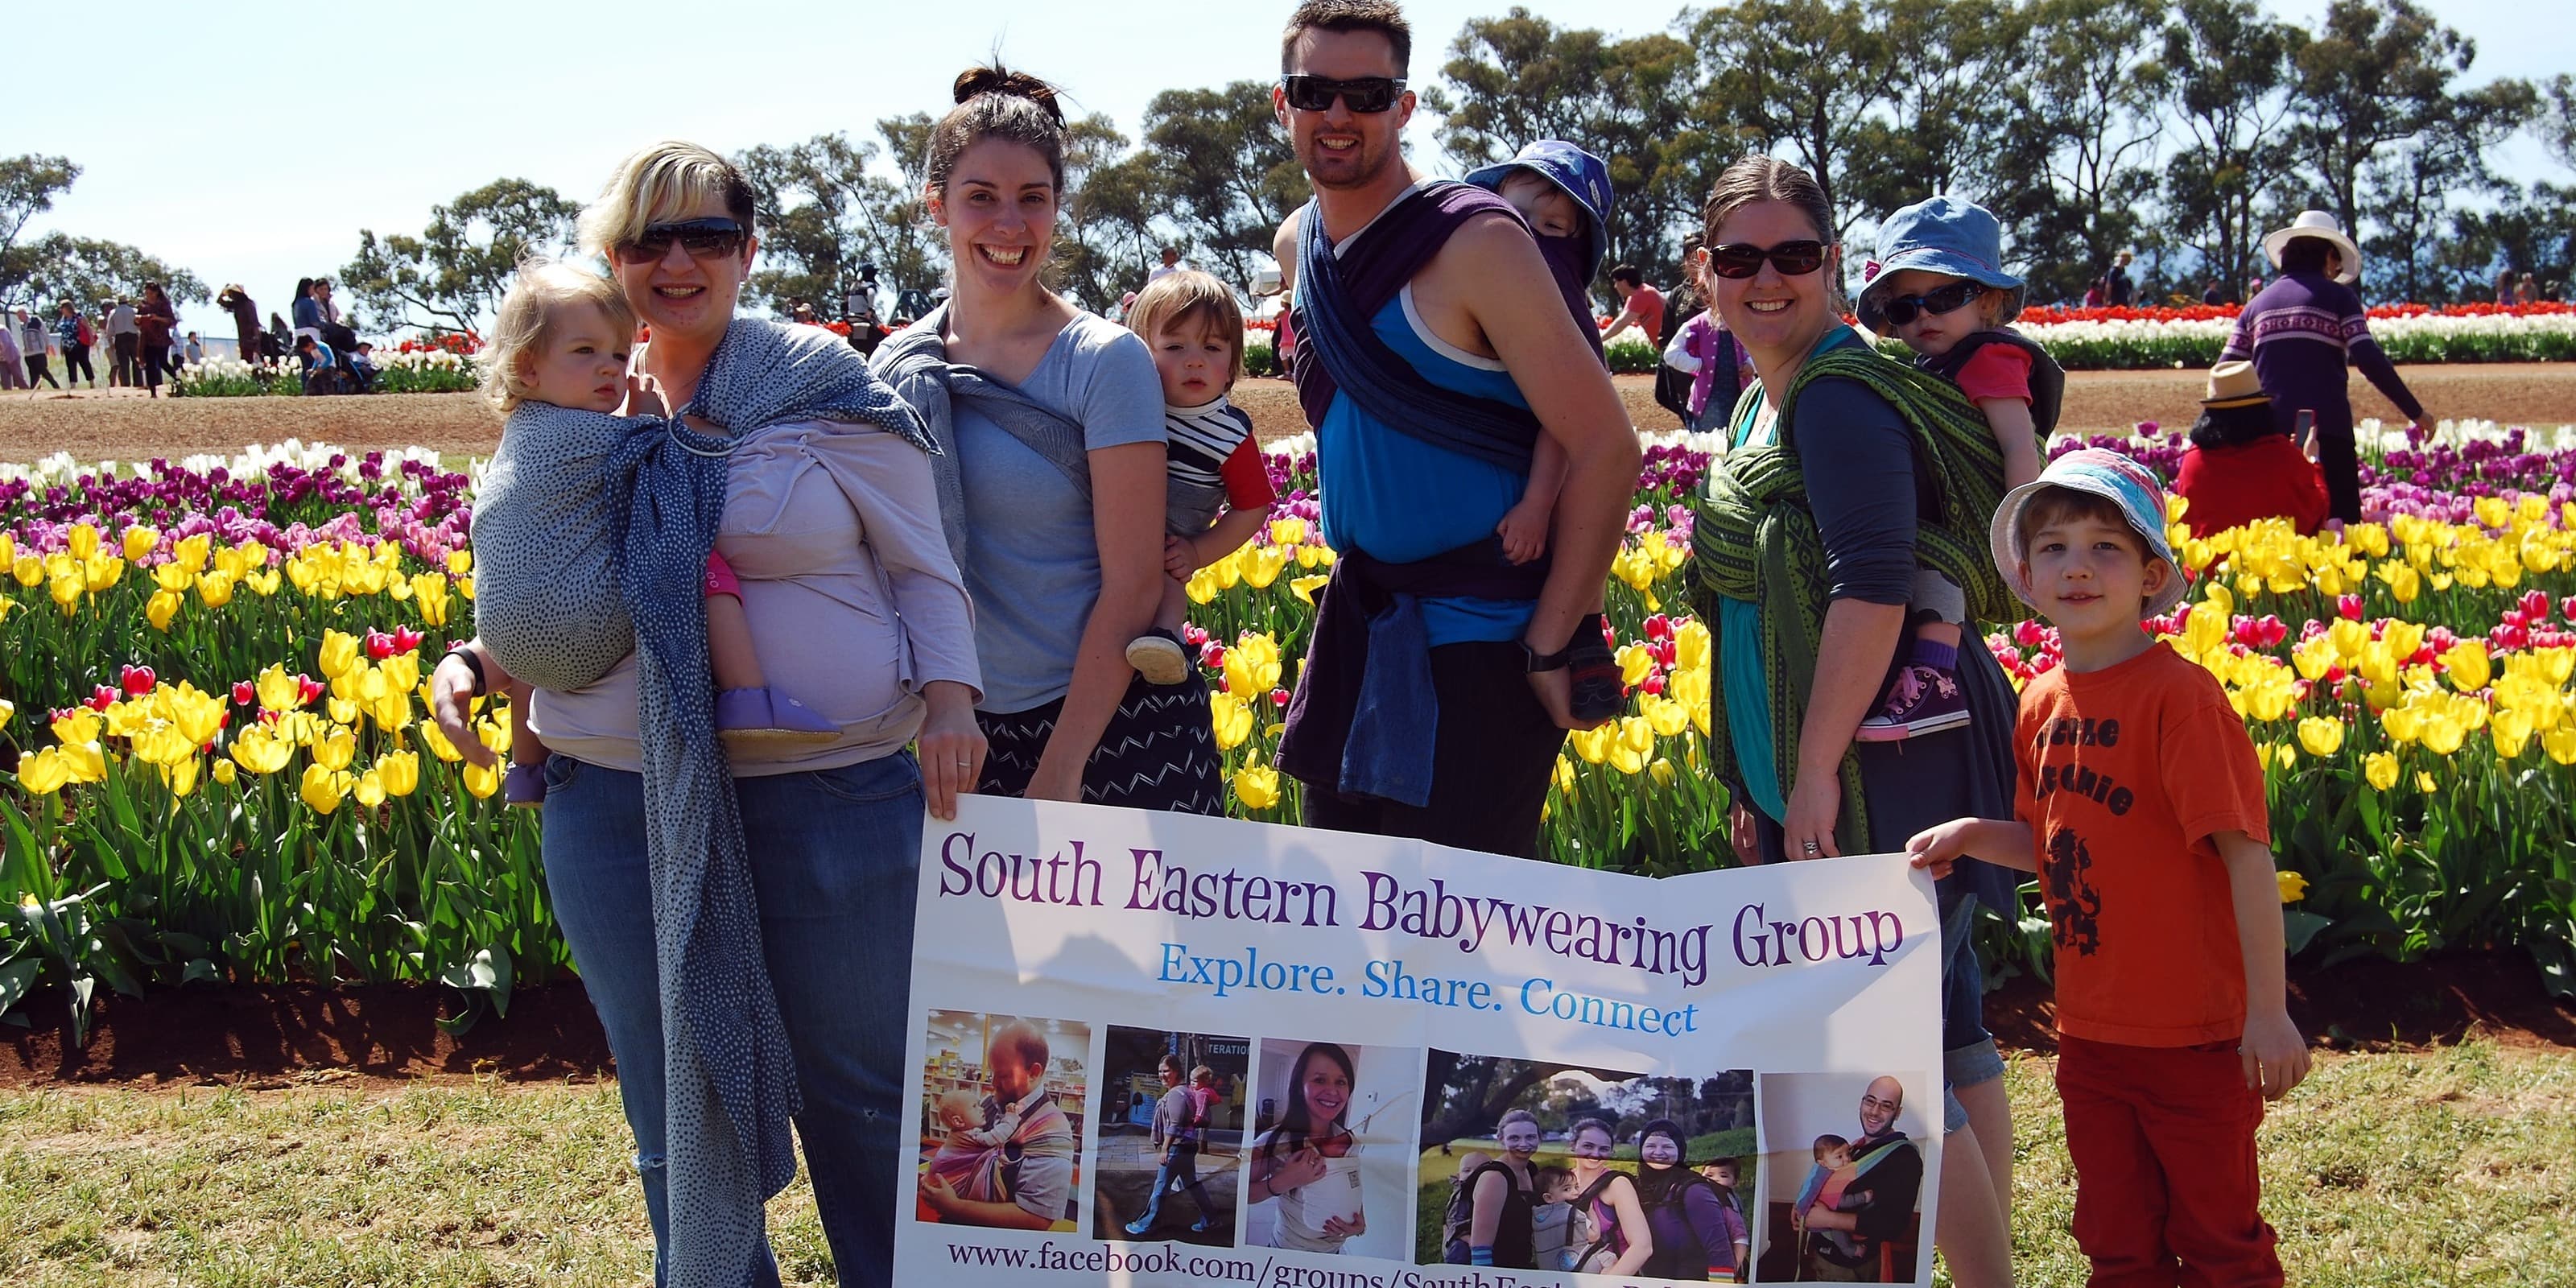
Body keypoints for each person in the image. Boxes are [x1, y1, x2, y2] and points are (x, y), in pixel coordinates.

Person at [431, 138, 985, 1286]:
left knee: (868, 1096)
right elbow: (551, 580)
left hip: (826, 791)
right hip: (612, 793)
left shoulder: (816, 381)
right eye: (649, 239)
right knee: (670, 1100)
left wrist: (952, 701)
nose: (678, 261)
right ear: (616, 259)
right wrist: (477, 660)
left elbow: (926, 568)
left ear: (748, 249)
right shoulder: (574, 399)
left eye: (708, 236)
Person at [1686, 155, 2016, 1287]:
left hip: (1883, 770)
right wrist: (1756, 782)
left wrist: (1813, 771)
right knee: (1951, 1032)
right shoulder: (1753, 401)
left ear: (1831, 264)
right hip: (1844, 762)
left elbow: (1871, 584)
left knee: (1893, 1054)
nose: (1765, 278)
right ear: (1706, 272)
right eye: (1741, 258)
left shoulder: (1834, 395)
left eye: (1792, 255)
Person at [1909, 448, 2314, 1287]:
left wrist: (2267, 1013)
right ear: (2025, 576)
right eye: (2054, 547)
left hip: (2194, 1034)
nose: (2077, 567)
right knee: (2114, 1238)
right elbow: (2056, 847)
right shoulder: (2039, 701)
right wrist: (1971, 834)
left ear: (2151, 573)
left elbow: (2245, 858)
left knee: (2217, 1240)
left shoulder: (2180, 699)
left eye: (2105, 547)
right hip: (2090, 1034)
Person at [1268, 0, 1640, 858]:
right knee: (1346, 933)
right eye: (1313, 90)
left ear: (1402, 108)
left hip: (1481, 653)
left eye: (1366, 93)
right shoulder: (1301, 244)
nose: (1338, 114)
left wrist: (1551, 643)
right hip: (1362, 636)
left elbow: (1605, 447)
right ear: (1281, 105)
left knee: (1467, 960)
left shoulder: (1476, 244)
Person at [875, 65, 1228, 815]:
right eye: (981, 198)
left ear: (1058, 208)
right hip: (963, 734)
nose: (1010, 225)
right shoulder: (899, 369)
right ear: (937, 207)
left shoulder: (1104, 361)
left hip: (1118, 732)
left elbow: (1133, 583)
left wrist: (1062, 769)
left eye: (1032, 199)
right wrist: (943, 709)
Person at [473, 258, 845, 806]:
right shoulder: (585, 434)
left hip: (508, 641)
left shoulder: (520, 434)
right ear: (527, 368)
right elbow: (666, 476)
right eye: (586, 352)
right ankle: (746, 694)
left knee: (537, 656)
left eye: (620, 354)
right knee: (693, 555)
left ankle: (526, 769)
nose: (611, 369)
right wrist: (653, 419)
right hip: (582, 627)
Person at [1849, 196, 2057, 744]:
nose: (1924, 315)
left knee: (1936, 569)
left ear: (1987, 303)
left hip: (1989, 519)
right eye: (1904, 307)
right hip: (1967, 516)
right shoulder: (1925, 369)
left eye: (1945, 296)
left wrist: (2022, 529)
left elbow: (2016, 445)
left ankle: (1936, 680)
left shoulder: (1991, 359)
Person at [1118, 270, 1278, 685]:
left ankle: (1165, 640)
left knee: (1171, 576)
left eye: (1212, 347)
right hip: (1110, 530)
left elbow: (1254, 505)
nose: (1195, 360)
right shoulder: (1127, 405)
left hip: (1174, 533)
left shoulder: (1230, 433)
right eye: (1174, 346)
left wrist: (1198, 551)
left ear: (1230, 367)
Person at [2219, 210, 2425, 526]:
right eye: (2337, 263)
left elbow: (2226, 369)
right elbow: (2368, 359)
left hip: (2268, 436)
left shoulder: (2257, 306)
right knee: (2338, 526)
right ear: (2327, 256)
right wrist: (2415, 412)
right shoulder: (2339, 298)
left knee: (2280, 528)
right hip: (2327, 430)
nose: (2337, 270)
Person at [921, 1020, 1080, 1230]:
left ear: (1033, 1072)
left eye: (1003, 1075)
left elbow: (1037, 1218)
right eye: (992, 1073)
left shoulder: (1052, 1129)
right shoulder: (993, 1102)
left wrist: (955, 1206)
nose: (993, 1083)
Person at [2173, 360, 2330, 539]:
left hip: (2207, 564)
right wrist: (2312, 461)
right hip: (2271, 563)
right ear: (2261, 410)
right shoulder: (2284, 456)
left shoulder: (2193, 461)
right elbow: (2315, 510)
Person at [1245, 1042, 1365, 1253]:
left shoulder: (1349, 1139)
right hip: (1286, 1258)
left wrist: (1359, 1223)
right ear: (1300, 1087)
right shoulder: (1275, 1141)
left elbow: (1351, 1184)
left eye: (1341, 1082)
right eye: (1319, 1080)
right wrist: (1284, 1181)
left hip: (1333, 1257)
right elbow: (1239, 1193)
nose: (1332, 1091)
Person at [1635, 1118, 1748, 1282]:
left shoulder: (1693, 1189)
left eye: (1667, 1146)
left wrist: (1721, 1284)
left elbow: (1719, 1249)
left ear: (1680, 1151)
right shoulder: (1638, 1185)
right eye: (1651, 1146)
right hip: (1651, 1279)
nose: (1658, 1153)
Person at [1123, 1055, 1221, 1236]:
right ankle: (1210, 1219)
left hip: (1177, 1148)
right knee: (1192, 1183)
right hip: (1188, 1147)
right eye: (1160, 1071)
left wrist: (1165, 1149)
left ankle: (1146, 1224)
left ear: (1176, 1072)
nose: (1162, 1075)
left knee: (1160, 1188)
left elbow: (1174, 1125)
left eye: (1166, 1071)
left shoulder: (1176, 1094)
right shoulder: (1187, 1091)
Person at [1440, 1107, 1542, 1267]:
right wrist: (1484, 1280)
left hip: (1520, 1266)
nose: (1524, 1144)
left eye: (1530, 1137)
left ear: (1539, 1139)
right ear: (1501, 1139)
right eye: (1514, 1138)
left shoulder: (1531, 1170)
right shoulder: (1495, 1177)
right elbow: (1480, 1247)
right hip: (1498, 1272)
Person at [1563, 1117, 1653, 1275]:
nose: (1595, 1154)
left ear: (1612, 1152)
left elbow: (1642, 1247)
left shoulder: (1617, 1184)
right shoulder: (1563, 1181)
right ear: (1573, 1145)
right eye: (1588, 1146)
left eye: (1604, 1149)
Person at [1599, 263, 1665, 346]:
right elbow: (1622, 319)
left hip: (1672, 348)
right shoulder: (1641, 293)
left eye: (1616, 282)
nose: (1615, 287)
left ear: (1624, 282)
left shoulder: (1642, 294)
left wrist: (1598, 340)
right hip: (1668, 348)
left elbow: (1622, 323)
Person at [135, 283, 177, 398]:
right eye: (147, 293)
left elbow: (171, 321)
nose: (148, 296)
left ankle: (177, 379)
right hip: (147, 338)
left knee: (163, 362)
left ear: (156, 293)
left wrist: (157, 318)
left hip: (161, 338)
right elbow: (137, 321)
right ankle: (153, 392)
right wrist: (139, 320)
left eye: (151, 293)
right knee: (150, 364)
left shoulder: (164, 305)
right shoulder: (143, 305)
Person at [217, 285, 261, 368]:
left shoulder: (248, 304)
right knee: (245, 364)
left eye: (231, 294)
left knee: (252, 365)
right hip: (243, 340)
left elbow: (255, 323)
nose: (230, 296)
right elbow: (220, 302)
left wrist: (256, 340)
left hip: (251, 339)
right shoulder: (237, 305)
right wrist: (223, 293)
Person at [54, 302, 97, 386]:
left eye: (62, 308)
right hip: (67, 345)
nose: (61, 310)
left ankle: (91, 382)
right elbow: (63, 334)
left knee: (84, 362)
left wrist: (91, 339)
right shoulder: (63, 319)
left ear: (67, 308)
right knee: (70, 365)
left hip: (80, 343)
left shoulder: (79, 316)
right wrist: (61, 346)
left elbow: (88, 328)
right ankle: (73, 384)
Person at [17, 308, 56, 389]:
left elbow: (45, 333)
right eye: (18, 316)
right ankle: (34, 388)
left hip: (38, 351)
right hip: (28, 353)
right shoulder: (22, 326)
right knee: (33, 373)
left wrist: (47, 346)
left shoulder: (35, 320)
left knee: (43, 370)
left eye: (20, 315)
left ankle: (55, 386)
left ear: (25, 314)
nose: (19, 318)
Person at [105, 297, 139, 387]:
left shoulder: (113, 313)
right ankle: (138, 383)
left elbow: (109, 330)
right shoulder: (134, 311)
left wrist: (110, 342)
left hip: (120, 338)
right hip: (133, 337)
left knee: (123, 362)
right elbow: (139, 325)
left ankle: (126, 384)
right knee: (136, 361)